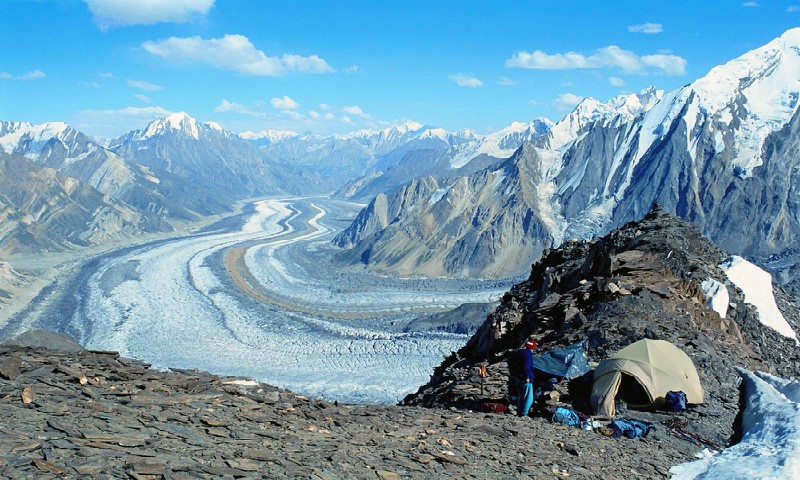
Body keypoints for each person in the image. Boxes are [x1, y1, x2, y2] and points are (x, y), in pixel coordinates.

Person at [512, 338, 537, 416]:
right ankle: (525, 413)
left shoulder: (520, 353)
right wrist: (528, 376)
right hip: (525, 378)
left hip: (518, 377)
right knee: (529, 398)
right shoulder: (528, 355)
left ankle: (519, 411)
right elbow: (527, 366)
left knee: (521, 396)